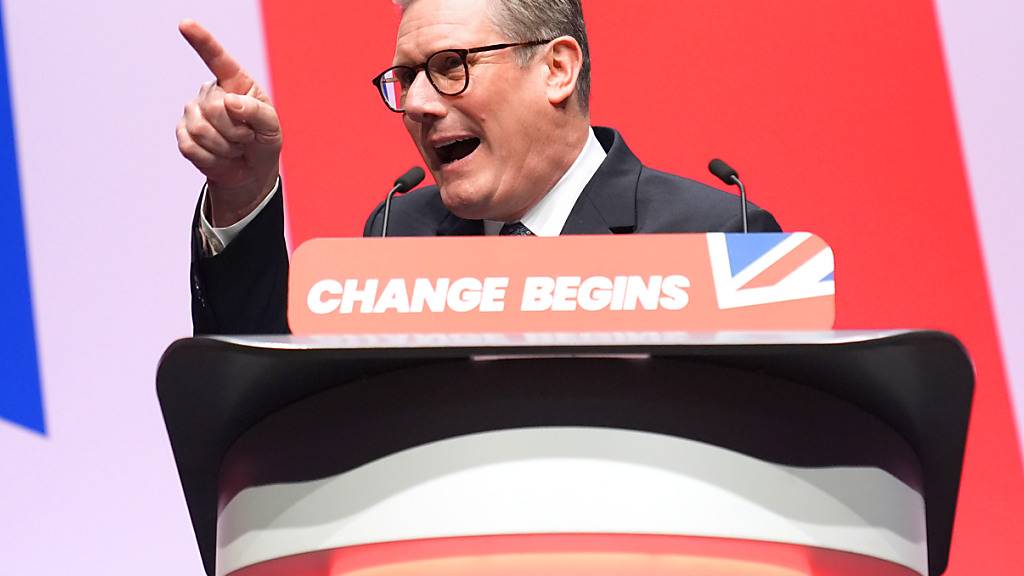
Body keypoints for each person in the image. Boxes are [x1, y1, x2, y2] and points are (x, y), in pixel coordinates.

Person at [177, 0, 781, 335]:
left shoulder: (718, 240)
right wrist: (243, 189)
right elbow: (279, 410)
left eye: (449, 66)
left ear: (556, 70)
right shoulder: (397, 239)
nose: (415, 103)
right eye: (407, 78)